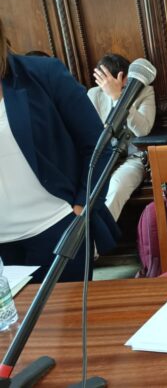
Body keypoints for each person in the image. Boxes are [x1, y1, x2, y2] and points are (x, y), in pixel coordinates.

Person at [0, 17, 119, 282]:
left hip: (56, 228)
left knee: (67, 310)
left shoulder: (43, 74)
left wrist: (82, 207)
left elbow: (97, 146)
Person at [87, 53, 156, 220]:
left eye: (124, 85)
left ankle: (100, 235)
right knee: (89, 192)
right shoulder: (94, 94)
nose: (122, 87)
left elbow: (143, 130)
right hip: (103, 158)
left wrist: (119, 99)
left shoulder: (144, 91)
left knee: (116, 188)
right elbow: (90, 133)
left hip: (133, 157)